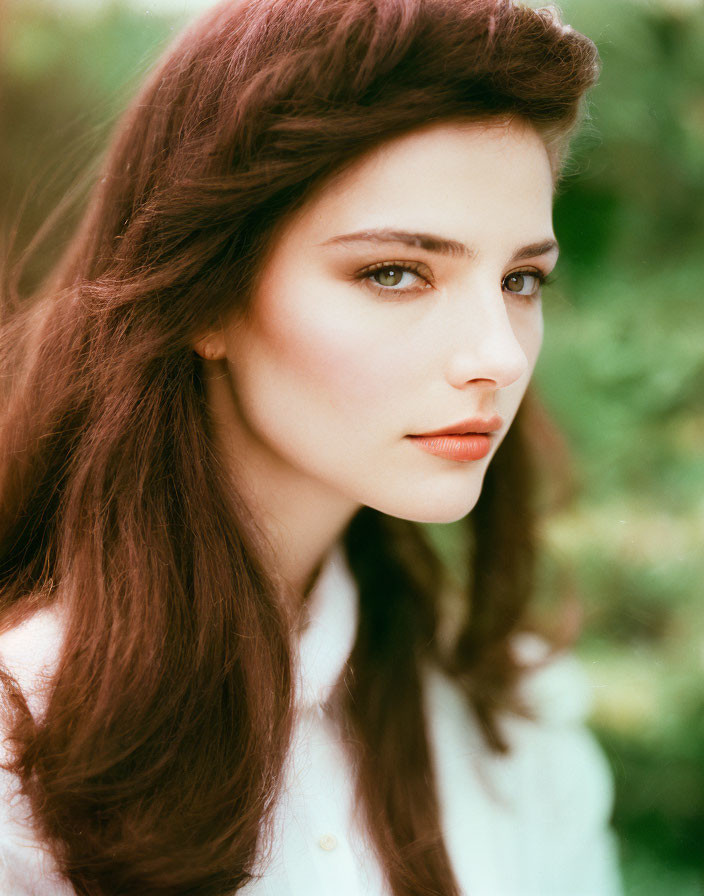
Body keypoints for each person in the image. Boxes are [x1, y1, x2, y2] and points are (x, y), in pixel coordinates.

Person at [0, 0, 622, 893]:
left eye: (521, 278)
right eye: (394, 272)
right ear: (207, 293)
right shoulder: (23, 754)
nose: (497, 354)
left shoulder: (510, 725)